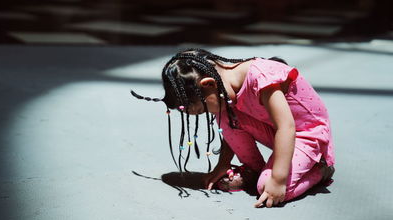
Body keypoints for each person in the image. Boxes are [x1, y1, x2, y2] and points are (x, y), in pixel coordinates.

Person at [131, 48, 335, 208]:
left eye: (203, 109)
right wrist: (223, 164)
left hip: (307, 134)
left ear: (209, 84)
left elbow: (287, 127)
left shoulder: (260, 77)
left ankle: (320, 169)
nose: (209, 114)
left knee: (267, 187)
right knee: (226, 117)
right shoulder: (224, 91)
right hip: (280, 133)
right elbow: (231, 126)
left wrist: (278, 178)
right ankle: (254, 170)